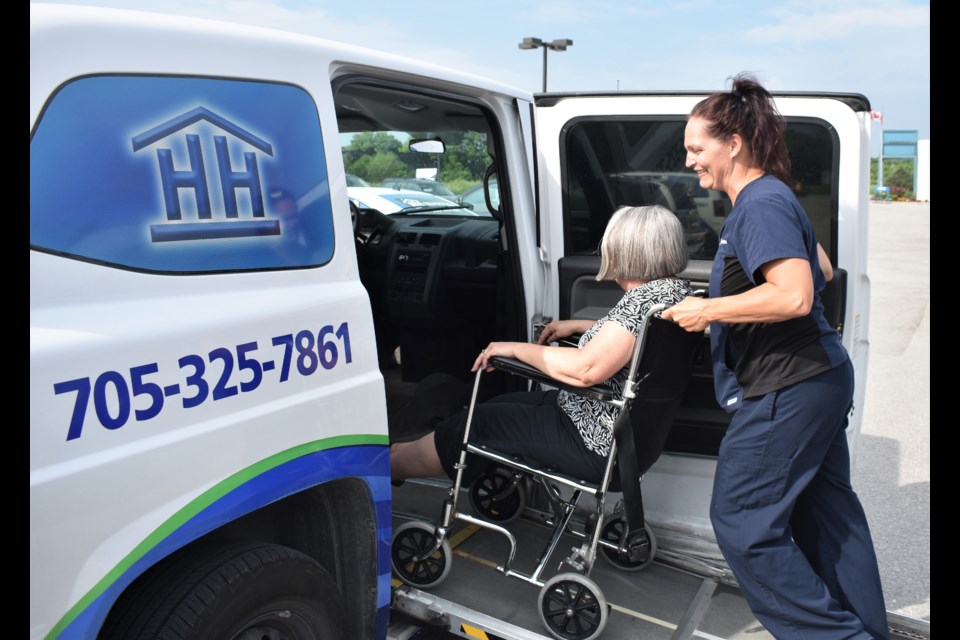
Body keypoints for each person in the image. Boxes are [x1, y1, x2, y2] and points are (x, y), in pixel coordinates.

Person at [661, 73, 888, 639]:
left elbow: (794, 294)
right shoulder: (772, 196)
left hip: (787, 386)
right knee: (828, 516)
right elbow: (823, 269)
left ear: (733, 142)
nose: (689, 160)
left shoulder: (758, 205)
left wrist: (708, 311)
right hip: (820, 377)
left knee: (741, 521)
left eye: (696, 148)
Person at [390, 204, 692, 486]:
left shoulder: (641, 301)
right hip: (611, 430)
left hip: (592, 441)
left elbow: (586, 370)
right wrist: (582, 326)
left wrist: (510, 348)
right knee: (495, 409)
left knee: (475, 425)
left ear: (627, 251)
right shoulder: (673, 293)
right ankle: (405, 451)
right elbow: (634, 340)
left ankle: (388, 467)